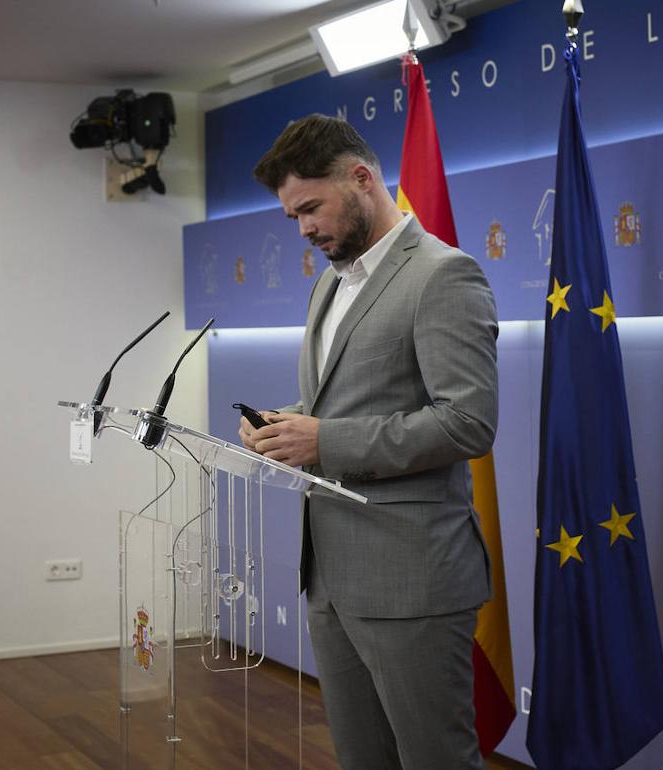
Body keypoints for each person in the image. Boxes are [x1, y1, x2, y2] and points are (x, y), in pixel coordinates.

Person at [238, 114, 498, 770]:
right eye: (293, 217)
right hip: (329, 579)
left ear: (361, 178)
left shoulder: (444, 275)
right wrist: (285, 422)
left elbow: (468, 421)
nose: (303, 229)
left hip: (413, 582)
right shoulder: (330, 282)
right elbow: (344, 403)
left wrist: (324, 441)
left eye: (310, 209)